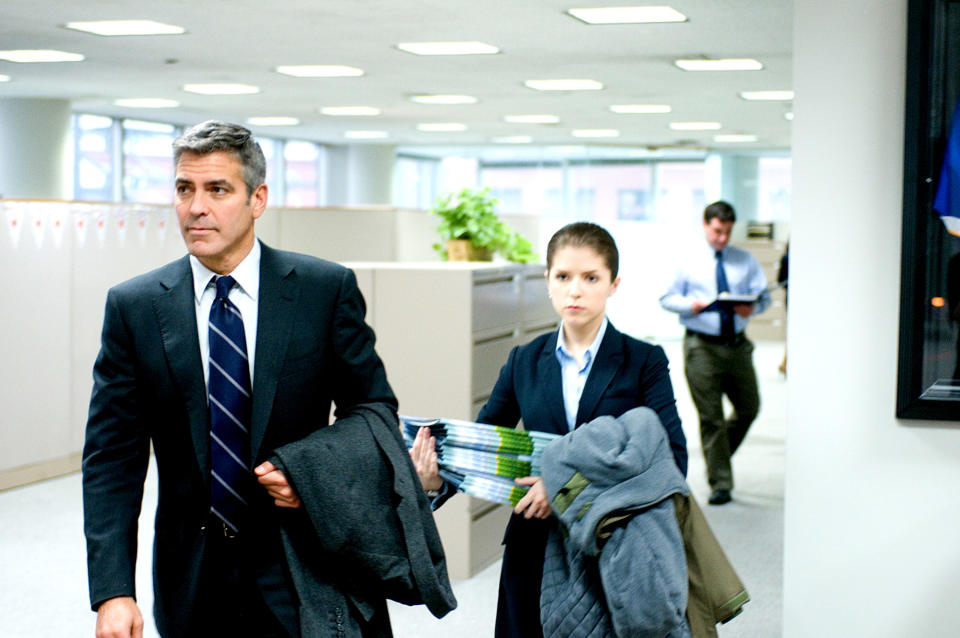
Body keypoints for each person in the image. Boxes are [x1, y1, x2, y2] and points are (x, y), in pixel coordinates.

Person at [82, 121, 398, 638]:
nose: (196, 207)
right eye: (185, 189)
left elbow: (373, 413)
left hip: (306, 560)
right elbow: (111, 457)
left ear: (258, 199)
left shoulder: (323, 290)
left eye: (217, 190)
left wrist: (310, 472)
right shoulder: (135, 307)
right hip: (193, 575)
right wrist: (113, 590)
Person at [410, 221, 688, 638]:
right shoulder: (524, 359)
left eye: (590, 277)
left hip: (612, 541)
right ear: (548, 282)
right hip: (534, 542)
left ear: (613, 284)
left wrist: (564, 488)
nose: (575, 290)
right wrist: (436, 481)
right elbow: (485, 444)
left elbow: (671, 458)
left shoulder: (642, 360)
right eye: (563, 277)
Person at [659, 200, 770, 506]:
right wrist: (690, 305)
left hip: (737, 345)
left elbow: (764, 298)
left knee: (749, 407)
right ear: (706, 224)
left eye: (728, 232)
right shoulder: (689, 260)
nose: (723, 238)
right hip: (701, 346)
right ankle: (721, 482)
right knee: (712, 418)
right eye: (718, 231)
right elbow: (667, 298)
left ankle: (717, 458)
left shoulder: (744, 260)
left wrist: (754, 306)